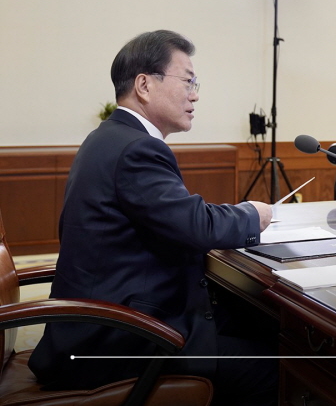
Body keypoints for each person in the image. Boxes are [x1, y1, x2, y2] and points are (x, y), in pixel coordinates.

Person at [29, 30, 277, 405]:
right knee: (276, 367)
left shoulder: (107, 137)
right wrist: (252, 213)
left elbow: (173, 217)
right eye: (188, 81)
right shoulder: (136, 149)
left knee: (263, 326)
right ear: (144, 84)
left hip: (111, 317)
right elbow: (197, 225)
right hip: (119, 337)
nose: (195, 94)